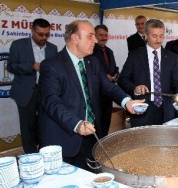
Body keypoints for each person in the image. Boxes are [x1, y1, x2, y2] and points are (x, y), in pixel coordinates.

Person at [39, 20, 143, 170]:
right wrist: (76, 124)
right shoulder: (52, 65)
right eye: (90, 36)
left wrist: (127, 101)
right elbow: (51, 102)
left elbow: (108, 87)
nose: (95, 40)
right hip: (65, 138)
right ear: (75, 38)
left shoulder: (92, 62)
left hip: (91, 135)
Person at [118, 19, 178, 127]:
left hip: (166, 111)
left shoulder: (172, 57)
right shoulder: (135, 56)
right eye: (154, 36)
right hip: (142, 110)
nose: (159, 40)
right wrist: (134, 88)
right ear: (146, 35)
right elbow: (122, 80)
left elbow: (177, 82)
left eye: (161, 36)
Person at [7, 18, 58, 154]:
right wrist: (31, 66)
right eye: (40, 34)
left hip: (46, 92)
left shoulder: (53, 49)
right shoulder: (18, 45)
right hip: (25, 92)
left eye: (47, 34)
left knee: (45, 124)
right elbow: (11, 66)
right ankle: (31, 156)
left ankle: (44, 152)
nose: (44, 37)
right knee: (27, 126)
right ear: (32, 31)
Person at [92, 24, 119, 138]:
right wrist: (104, 76)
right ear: (95, 36)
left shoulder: (109, 51)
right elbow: (92, 71)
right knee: (97, 124)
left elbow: (114, 67)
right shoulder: (90, 51)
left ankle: (103, 144)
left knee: (106, 122)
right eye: (101, 35)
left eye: (105, 35)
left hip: (108, 95)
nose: (104, 38)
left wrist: (116, 75)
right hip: (96, 95)